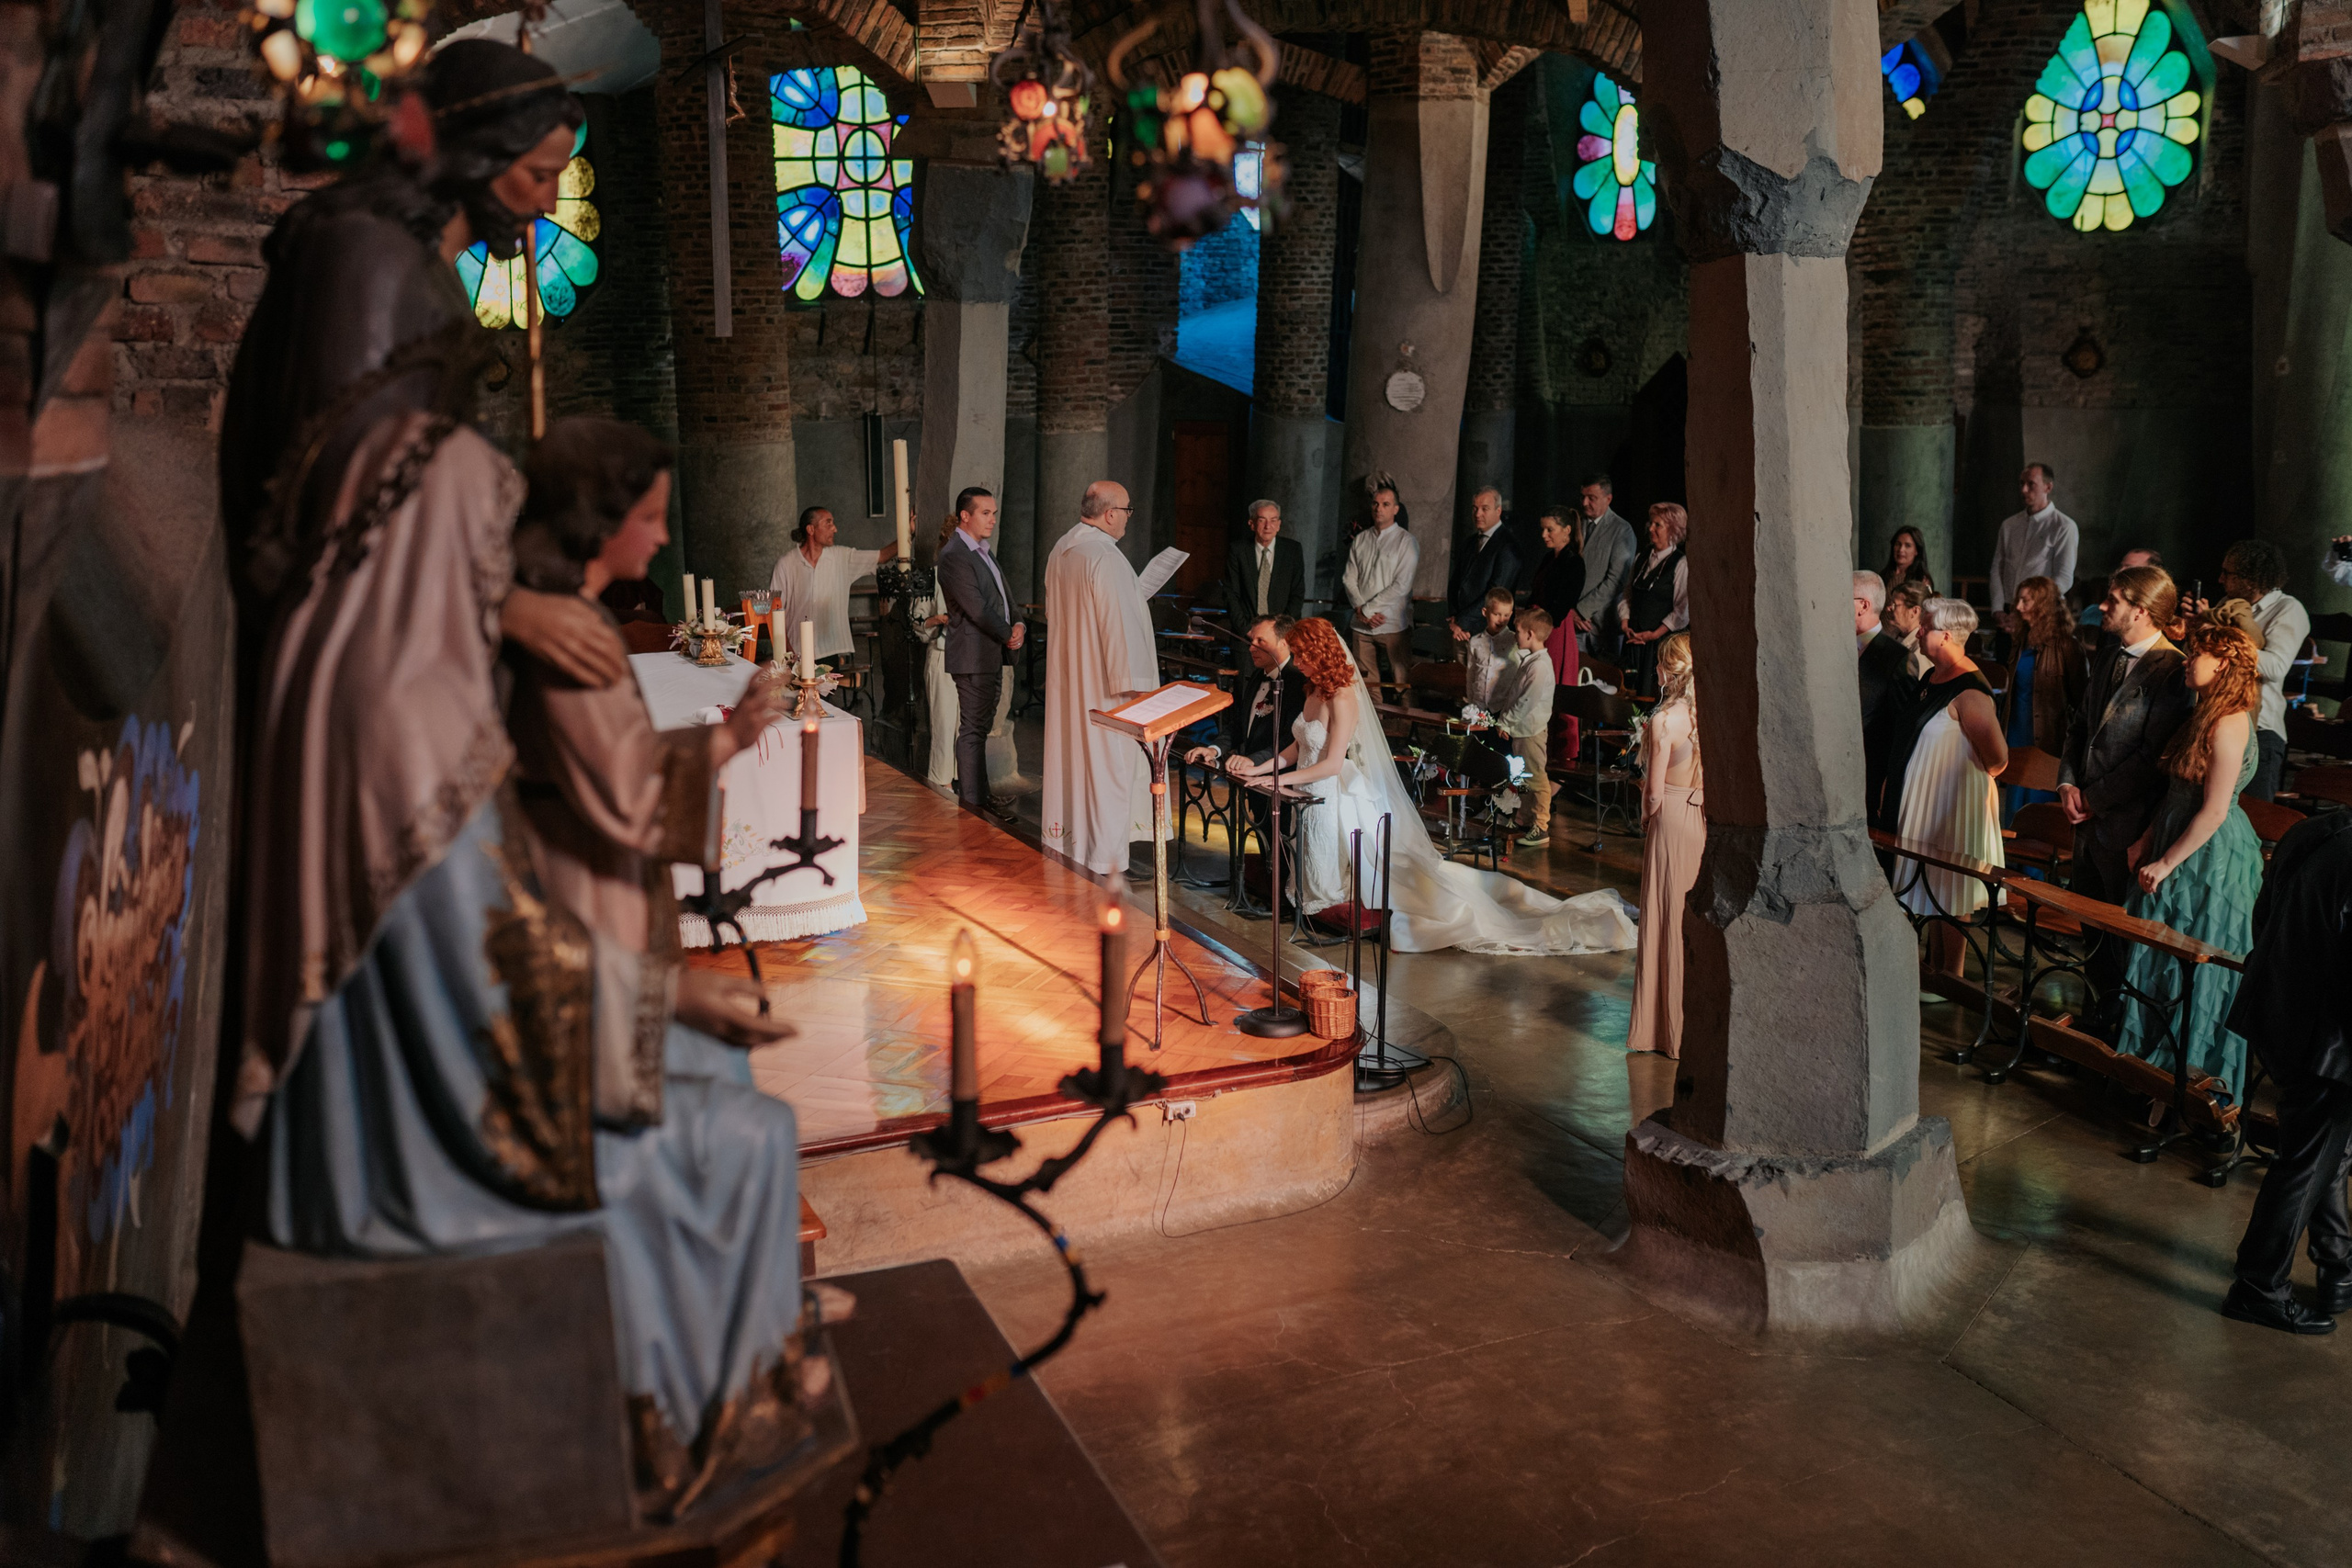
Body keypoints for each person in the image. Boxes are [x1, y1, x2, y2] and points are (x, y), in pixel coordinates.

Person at [224, 46, 813, 1512]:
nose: (546, 204)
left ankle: (716, 1366)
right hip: (495, 1066)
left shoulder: (433, 704)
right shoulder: (397, 729)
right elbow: (349, 510)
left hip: (526, 964)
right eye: (541, 170)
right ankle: (687, 1390)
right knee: (720, 1121)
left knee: (712, 1085)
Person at [506, 415, 796, 1066]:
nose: (664, 535)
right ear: (600, 519)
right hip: (584, 898)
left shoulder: (563, 614)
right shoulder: (571, 636)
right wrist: (727, 741)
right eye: (651, 515)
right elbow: (625, 785)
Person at [1227, 617, 1636, 954]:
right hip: (1303, 793)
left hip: (1326, 795)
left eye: (1301, 654)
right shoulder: (1312, 689)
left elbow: (1332, 764)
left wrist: (1278, 778)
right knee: (1302, 880)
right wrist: (1263, 770)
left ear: (1319, 653)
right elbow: (1299, 747)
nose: (1297, 661)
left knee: (1326, 886)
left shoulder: (1343, 698)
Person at [2113, 615, 2264, 1111]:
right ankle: (2152, 1074)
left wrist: (2167, 862)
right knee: (2159, 955)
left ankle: (2193, 1082)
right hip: (2176, 836)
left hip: (2210, 857)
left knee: (2199, 963)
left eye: (2198, 653)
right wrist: (2146, 840)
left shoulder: (2230, 720)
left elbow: (2216, 809)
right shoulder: (2202, 712)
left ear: (2223, 664)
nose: (2188, 660)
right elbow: (2177, 791)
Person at [2222, 808, 2352, 1335]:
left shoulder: (2324, 827)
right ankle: (2258, 1286)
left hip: (2279, 1009)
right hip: (2328, 1037)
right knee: (2307, 1159)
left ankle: (2338, 1269)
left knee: (2327, 1151)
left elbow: (2265, 912)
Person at [2058, 564, 2193, 1035]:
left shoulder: (2173, 669)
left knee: (2120, 937)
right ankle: (2095, 1021)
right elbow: (2080, 727)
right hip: (2087, 819)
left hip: (2126, 824)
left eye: (2113, 599)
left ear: (2141, 609)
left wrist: (2093, 798)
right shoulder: (2110, 651)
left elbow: (2150, 758)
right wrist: (2067, 785)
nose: (2103, 606)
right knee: (2090, 932)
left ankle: (2118, 1034)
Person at [1042, 480, 1160, 876]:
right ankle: (1107, 858)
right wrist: (1141, 690)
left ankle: (1077, 845)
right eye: (1127, 511)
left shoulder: (1063, 549)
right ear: (1110, 514)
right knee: (1109, 769)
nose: (1128, 518)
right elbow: (1118, 629)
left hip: (1072, 678)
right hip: (1108, 688)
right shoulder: (1104, 557)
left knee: (1076, 763)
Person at [1891, 598, 2007, 974]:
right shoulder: (1932, 676)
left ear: (1945, 635)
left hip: (1955, 802)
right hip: (1927, 798)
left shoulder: (1971, 690)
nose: (1919, 631)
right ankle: (1930, 970)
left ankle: (1951, 975)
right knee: (1927, 883)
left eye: (1925, 626)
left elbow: (1998, 758)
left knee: (1950, 888)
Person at [1628, 632, 1702, 1056]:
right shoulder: (1707, 712)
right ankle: (1691, 1027)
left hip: (1671, 818)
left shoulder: (1663, 720)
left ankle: (1664, 1032)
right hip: (1701, 818)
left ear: (1668, 670)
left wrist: (1645, 815)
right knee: (1690, 920)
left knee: (1664, 920)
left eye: (1659, 663)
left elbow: (1653, 791)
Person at [2197, 539, 2307, 802]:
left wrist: (2226, 648)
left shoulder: (2287, 609)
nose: (2220, 579)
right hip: (2220, 721)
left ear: (2250, 578)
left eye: (2228, 573)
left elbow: (2277, 667)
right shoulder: (2229, 604)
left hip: (2261, 732)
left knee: (2251, 819)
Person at [936, 486, 1024, 815]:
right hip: (973, 657)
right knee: (973, 732)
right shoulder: (955, 554)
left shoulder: (983, 551)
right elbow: (978, 609)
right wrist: (1008, 634)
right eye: (986, 513)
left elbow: (1004, 596)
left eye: (994, 513)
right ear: (965, 516)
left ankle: (980, 801)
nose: (992, 520)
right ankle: (973, 809)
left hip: (990, 652)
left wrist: (1019, 625)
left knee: (980, 729)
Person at [768, 503, 899, 668]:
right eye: (828, 523)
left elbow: (882, 556)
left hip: (829, 651)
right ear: (811, 529)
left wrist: (909, 532)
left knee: (824, 693)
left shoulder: (841, 557)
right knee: (797, 694)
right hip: (795, 651)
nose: (835, 529)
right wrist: (788, 652)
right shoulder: (786, 564)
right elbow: (775, 612)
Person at [1185, 615, 1307, 787]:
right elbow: (1240, 723)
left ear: (1284, 642)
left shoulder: (1299, 683)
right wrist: (1214, 749)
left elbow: (1291, 739)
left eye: (1261, 641)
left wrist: (1253, 761)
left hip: (1281, 781)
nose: (1251, 648)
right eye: (1252, 641)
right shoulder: (1258, 675)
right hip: (1249, 777)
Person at [2001, 574, 2086, 819]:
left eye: (2025, 601)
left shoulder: (2066, 646)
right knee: (2013, 808)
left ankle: (2031, 859)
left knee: (2038, 810)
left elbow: (2081, 701)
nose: (2018, 607)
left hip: (2047, 738)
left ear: (2043, 605)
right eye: (2018, 600)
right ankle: (2014, 858)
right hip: (2016, 732)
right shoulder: (2020, 642)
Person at [1489, 608, 1561, 847]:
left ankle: (1540, 826)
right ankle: (1523, 819)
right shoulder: (1531, 660)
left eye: (1518, 632)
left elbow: (1526, 701)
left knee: (1536, 778)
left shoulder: (1540, 666)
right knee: (1523, 777)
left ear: (1530, 634)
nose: (1514, 636)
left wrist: (1506, 721)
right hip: (1523, 730)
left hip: (1530, 730)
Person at [1341, 479, 1419, 689]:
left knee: (1402, 682)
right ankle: (1375, 721)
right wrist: (1361, 610)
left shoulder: (1406, 541)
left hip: (1392, 622)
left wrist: (1368, 610)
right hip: (1361, 624)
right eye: (1375, 503)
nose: (1379, 508)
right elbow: (1349, 577)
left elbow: (1401, 585)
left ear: (1395, 509)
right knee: (1366, 684)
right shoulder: (1361, 539)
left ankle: (1402, 722)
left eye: (1385, 504)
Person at [1855, 570, 1917, 830]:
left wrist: (1889, 783)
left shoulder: (1896, 657)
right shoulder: (1833, 647)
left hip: (1872, 777)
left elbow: (1903, 727)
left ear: (1863, 605)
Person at [1988, 462, 2078, 622]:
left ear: (2048, 487)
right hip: (2009, 609)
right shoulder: (2009, 525)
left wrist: (2033, 605)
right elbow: (1997, 568)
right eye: (2022, 483)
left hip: (2042, 612)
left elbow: (2064, 577)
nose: (2024, 490)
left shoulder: (2063, 526)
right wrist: (1997, 608)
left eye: (2031, 484)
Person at [1528, 507, 1585, 758]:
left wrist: (1538, 620)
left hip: (1555, 632)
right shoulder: (1548, 559)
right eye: (1543, 529)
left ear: (1567, 531)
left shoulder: (1574, 562)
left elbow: (1561, 607)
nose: (1543, 534)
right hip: (1539, 628)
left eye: (1550, 529)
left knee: (1557, 693)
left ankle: (1562, 754)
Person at [1616, 502, 1689, 696]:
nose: (1651, 528)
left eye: (1658, 525)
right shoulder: (1641, 557)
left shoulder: (1680, 563)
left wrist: (1655, 634)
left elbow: (1682, 610)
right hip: (1633, 641)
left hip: (1657, 645)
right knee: (1627, 694)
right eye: (1651, 523)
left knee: (1650, 695)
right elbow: (1627, 595)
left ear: (1672, 530)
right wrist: (1625, 623)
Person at [1448, 487, 1523, 662]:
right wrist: (1454, 617)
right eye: (1475, 508)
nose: (1478, 514)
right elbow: (1455, 582)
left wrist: (1462, 622)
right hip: (1460, 631)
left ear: (1498, 511)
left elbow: (1496, 594)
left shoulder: (1508, 546)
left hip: (1487, 633)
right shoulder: (1470, 542)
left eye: (1484, 508)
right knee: (1460, 685)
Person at [1572, 475, 1637, 653]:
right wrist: (1571, 612)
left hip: (1604, 628)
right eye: (1583, 497)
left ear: (1608, 499)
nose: (1585, 503)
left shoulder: (1622, 530)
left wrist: (1582, 611)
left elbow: (1616, 580)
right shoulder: (1575, 524)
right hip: (1574, 625)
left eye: (1591, 498)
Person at [1220, 499, 1305, 630]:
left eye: (1273, 520)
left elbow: (1297, 594)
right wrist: (1245, 629)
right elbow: (1231, 594)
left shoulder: (1292, 550)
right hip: (1246, 632)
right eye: (1262, 520)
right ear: (1252, 524)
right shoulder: (1238, 550)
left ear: (1279, 525)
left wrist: (1280, 630)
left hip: (1281, 634)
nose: (1268, 526)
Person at [1462, 586, 1518, 709]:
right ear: (1485, 612)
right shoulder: (1475, 642)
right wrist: (1472, 704)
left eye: (1506, 615)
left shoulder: (1515, 641)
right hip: (1479, 706)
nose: (1501, 620)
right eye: (1496, 614)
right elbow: (1471, 674)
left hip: (1502, 708)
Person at [1884, 577, 1934, 680]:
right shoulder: (1894, 636)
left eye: (1895, 605)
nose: (1888, 608)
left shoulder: (1921, 651)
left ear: (1914, 612)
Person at [1881, 525, 1935, 595]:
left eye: (1908, 546)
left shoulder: (1921, 580)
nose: (1901, 550)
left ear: (1916, 551)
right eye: (1898, 544)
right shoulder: (1883, 576)